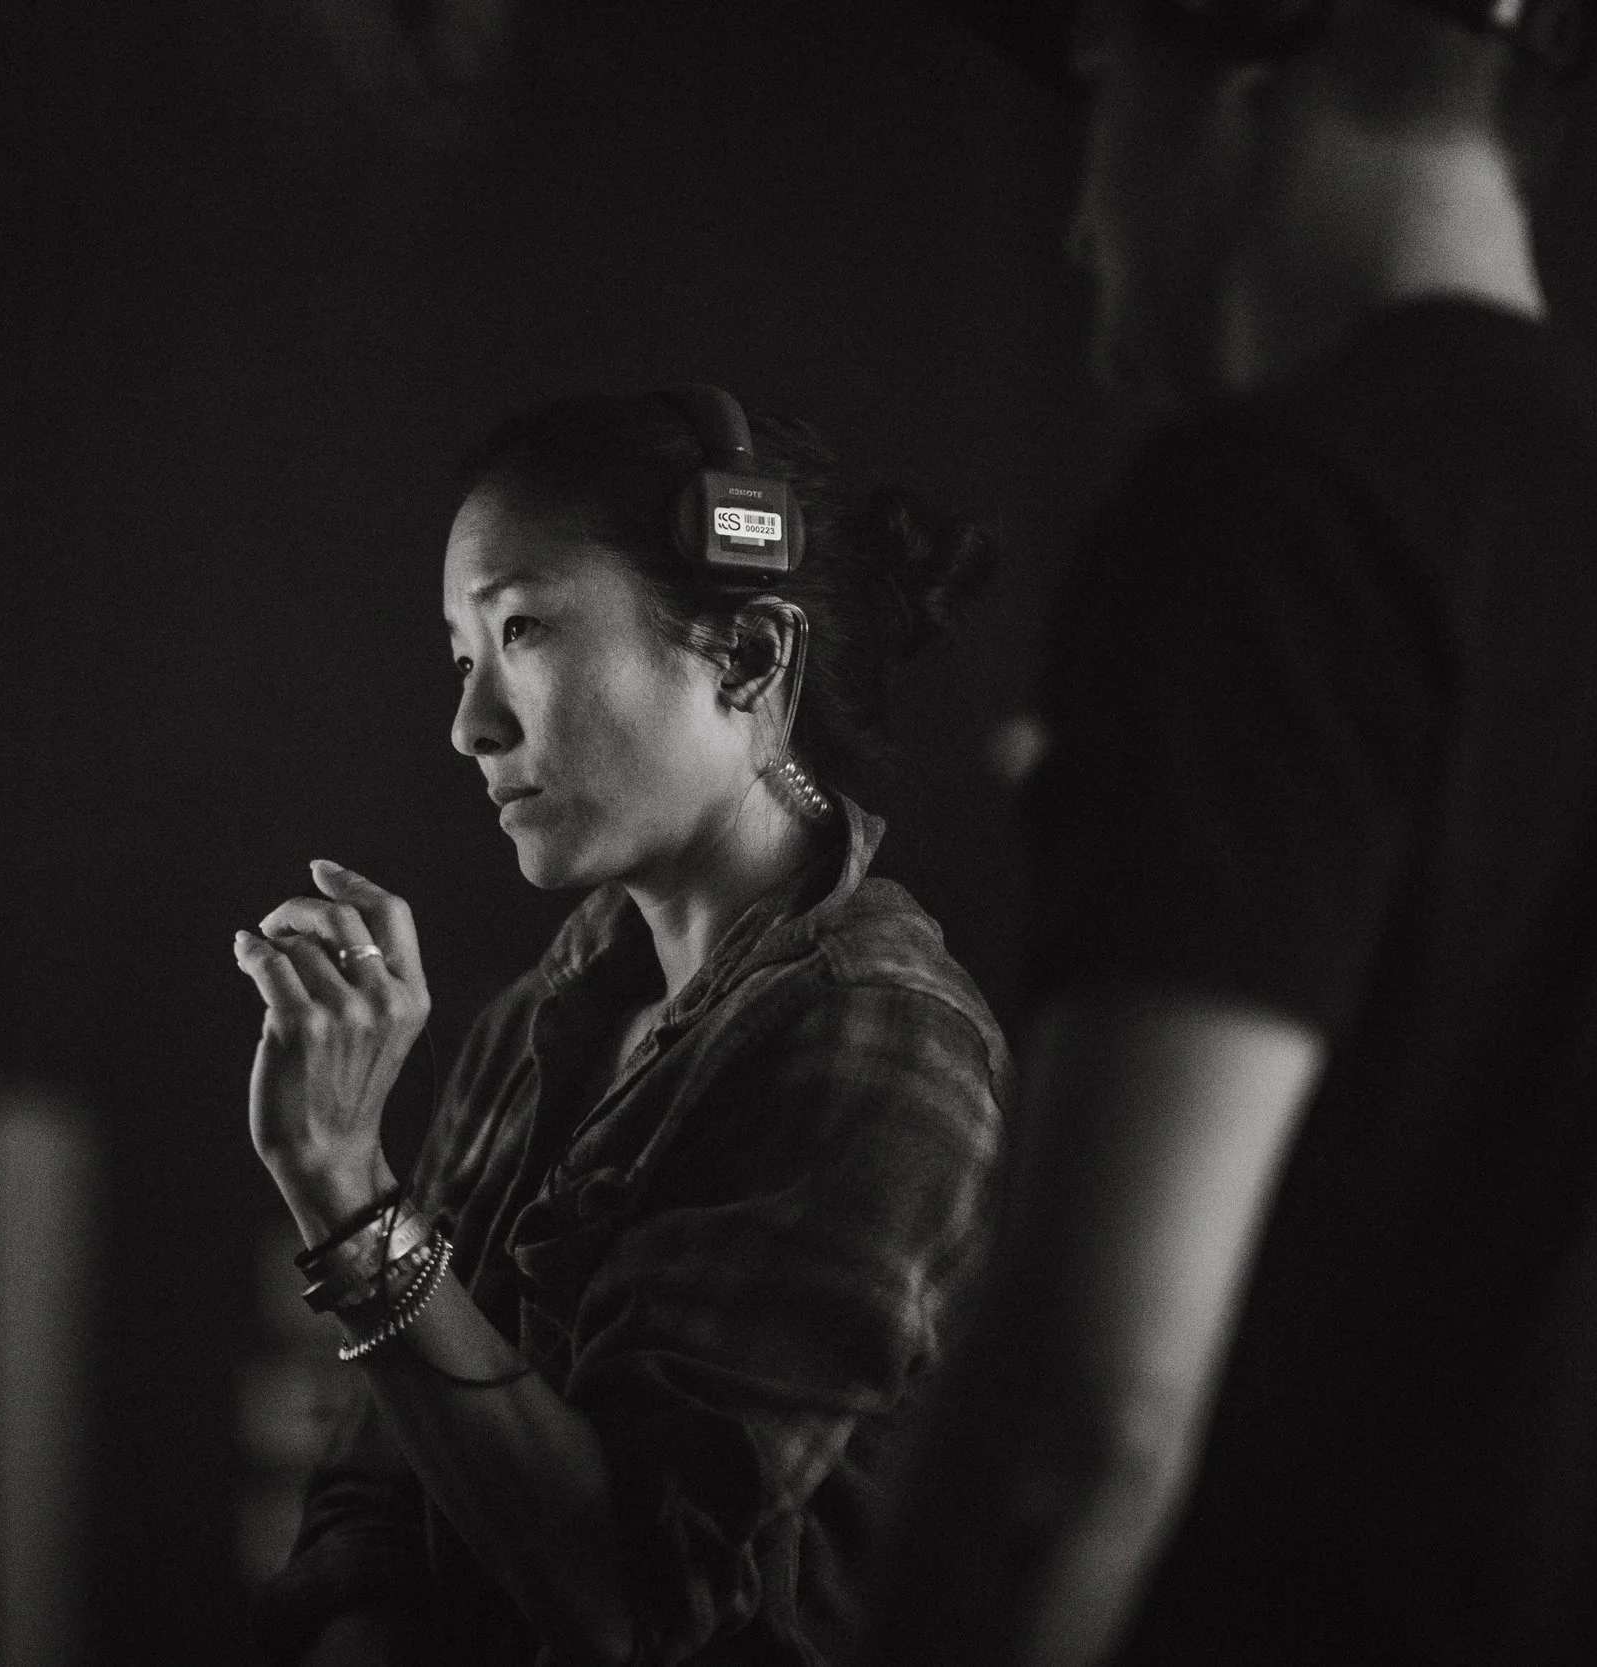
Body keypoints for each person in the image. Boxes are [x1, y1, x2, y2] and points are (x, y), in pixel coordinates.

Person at [870, 3, 1597, 1662]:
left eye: (1098, 89)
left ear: (1236, 68)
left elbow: (1084, 1428)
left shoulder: (1268, 518)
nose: (1081, 218)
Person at [231, 389, 1012, 1665]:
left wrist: (344, 1186)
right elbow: (374, 1498)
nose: (470, 724)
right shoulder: (536, 1022)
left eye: (523, 628)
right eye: (462, 656)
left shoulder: (878, 1038)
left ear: (747, 656)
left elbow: (626, 1596)